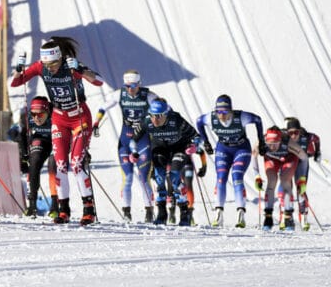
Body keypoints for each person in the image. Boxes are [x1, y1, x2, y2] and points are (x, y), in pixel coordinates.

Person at [9, 36, 104, 225]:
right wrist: (18, 70)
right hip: (59, 118)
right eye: (47, 65)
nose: (50, 68)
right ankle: (63, 209)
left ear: (60, 58)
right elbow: (16, 83)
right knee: (60, 164)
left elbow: (99, 81)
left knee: (76, 164)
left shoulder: (70, 66)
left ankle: (89, 209)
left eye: (53, 64)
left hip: (79, 117)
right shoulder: (40, 67)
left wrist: (81, 70)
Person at [96, 69, 158, 223]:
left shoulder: (148, 95)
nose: (131, 89)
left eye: (134, 86)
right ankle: (126, 213)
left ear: (139, 84)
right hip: (125, 139)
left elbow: (164, 109)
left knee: (144, 178)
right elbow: (103, 107)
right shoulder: (120, 94)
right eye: (128, 86)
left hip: (143, 140)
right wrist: (96, 122)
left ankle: (149, 212)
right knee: (128, 178)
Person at [195, 94, 265, 228]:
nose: (221, 115)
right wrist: (206, 142)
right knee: (221, 178)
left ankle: (241, 215)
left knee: (237, 177)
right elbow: (199, 121)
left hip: (241, 149)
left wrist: (261, 141)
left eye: (225, 111)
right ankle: (218, 213)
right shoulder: (211, 118)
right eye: (218, 111)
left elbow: (258, 120)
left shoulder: (241, 117)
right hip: (223, 149)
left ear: (231, 110)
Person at [135, 98, 200, 226]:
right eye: (152, 115)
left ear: (166, 114)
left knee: (174, 177)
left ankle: (184, 213)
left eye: (158, 116)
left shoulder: (176, 119)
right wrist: (133, 152)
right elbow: (133, 139)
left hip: (178, 149)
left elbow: (195, 136)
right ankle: (162, 213)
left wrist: (194, 147)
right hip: (160, 149)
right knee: (159, 179)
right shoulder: (146, 121)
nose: (155, 119)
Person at [254, 125, 307, 231]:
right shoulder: (261, 142)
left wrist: (302, 178)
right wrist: (257, 176)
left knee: (285, 181)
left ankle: (288, 216)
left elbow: (304, 158)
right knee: (271, 182)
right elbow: (253, 156)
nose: (272, 147)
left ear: (280, 140)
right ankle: (268, 217)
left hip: (289, 158)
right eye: (269, 144)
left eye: (275, 144)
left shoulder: (288, 143)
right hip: (271, 159)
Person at [283, 117, 321, 231]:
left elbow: (317, 139)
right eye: (291, 133)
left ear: (300, 131)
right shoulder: (283, 136)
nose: (294, 135)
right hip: (288, 163)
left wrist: (317, 152)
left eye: (296, 132)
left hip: (301, 163)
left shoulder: (307, 136)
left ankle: (304, 216)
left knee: (301, 189)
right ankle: (287, 217)